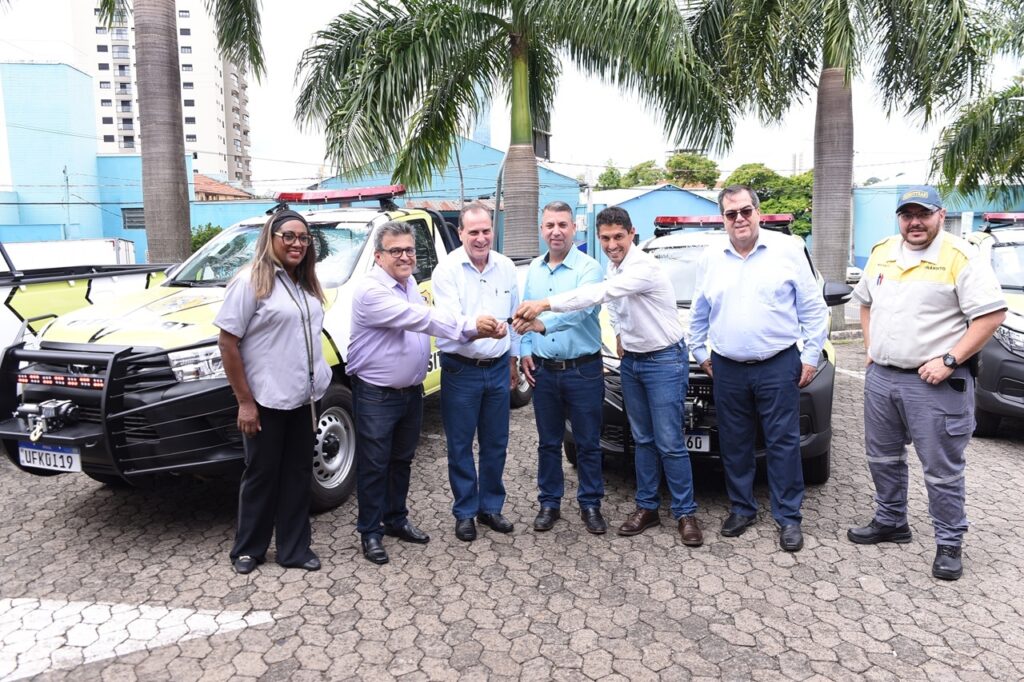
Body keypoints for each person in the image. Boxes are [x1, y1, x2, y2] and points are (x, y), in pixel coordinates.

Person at [515, 206, 703, 547]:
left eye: (618, 236)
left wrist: (544, 306)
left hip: (663, 360)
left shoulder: (641, 267)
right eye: (605, 238)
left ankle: (685, 513)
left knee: (670, 441)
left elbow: (597, 296)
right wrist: (619, 334)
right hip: (631, 363)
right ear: (597, 237)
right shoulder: (613, 267)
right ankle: (647, 508)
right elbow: (616, 311)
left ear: (633, 234)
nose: (612, 243)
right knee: (642, 439)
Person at [847, 185, 1006, 580]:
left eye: (923, 213)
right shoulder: (883, 251)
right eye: (907, 214)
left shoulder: (959, 255)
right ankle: (891, 521)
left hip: (933, 384)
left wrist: (951, 359)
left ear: (940, 213)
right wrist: (871, 346)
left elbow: (991, 315)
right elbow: (865, 303)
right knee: (881, 457)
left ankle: (950, 542)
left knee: (941, 469)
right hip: (883, 378)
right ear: (899, 218)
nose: (914, 222)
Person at [347, 221, 505, 564]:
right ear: (378, 256)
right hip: (377, 393)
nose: (405, 256)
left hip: (409, 392)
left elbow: (425, 320)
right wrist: (470, 326)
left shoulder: (409, 286)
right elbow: (421, 320)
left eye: (409, 250)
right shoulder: (372, 291)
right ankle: (370, 532)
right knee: (375, 465)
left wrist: (475, 333)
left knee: (401, 461)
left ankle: (395, 520)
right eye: (396, 251)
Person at [688, 185, 828, 553]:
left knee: (782, 442)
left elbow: (813, 308)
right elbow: (699, 311)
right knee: (735, 442)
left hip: (778, 364)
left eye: (745, 211)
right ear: (723, 218)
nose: (740, 219)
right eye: (731, 214)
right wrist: (701, 354)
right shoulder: (710, 257)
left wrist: (811, 356)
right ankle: (742, 508)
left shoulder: (788, 249)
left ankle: (788, 517)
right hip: (726, 367)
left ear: (758, 212)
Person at [215, 209, 332, 575]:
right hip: (264, 400)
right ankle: (248, 549)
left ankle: (294, 549)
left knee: (298, 474)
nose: (297, 243)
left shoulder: (305, 283)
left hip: (303, 398)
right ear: (272, 238)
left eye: (304, 238)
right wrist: (245, 402)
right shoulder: (251, 281)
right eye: (289, 236)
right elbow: (227, 342)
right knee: (262, 474)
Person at [432, 203, 520, 542]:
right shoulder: (447, 270)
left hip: (498, 368)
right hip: (462, 370)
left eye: (486, 231)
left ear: (492, 230)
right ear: (460, 234)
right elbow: (451, 322)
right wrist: (482, 330)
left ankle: (491, 507)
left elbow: (514, 318)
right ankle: (465, 511)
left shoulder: (507, 267)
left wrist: (512, 358)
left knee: (496, 442)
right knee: (460, 444)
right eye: (473, 232)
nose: (481, 238)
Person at [517, 201, 607, 534]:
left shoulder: (589, 268)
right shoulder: (534, 270)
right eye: (550, 225)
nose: (556, 231)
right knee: (547, 443)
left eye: (563, 225)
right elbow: (523, 315)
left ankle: (591, 504)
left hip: (583, 370)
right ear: (542, 230)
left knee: (588, 443)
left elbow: (581, 310)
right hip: (545, 370)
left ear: (575, 228)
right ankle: (549, 503)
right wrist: (525, 348)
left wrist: (542, 326)